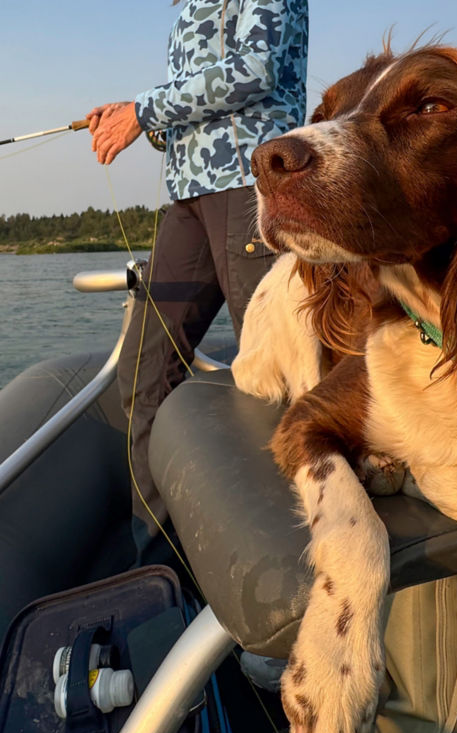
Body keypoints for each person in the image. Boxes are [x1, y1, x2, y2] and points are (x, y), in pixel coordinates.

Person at [87, 0, 309, 557]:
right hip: (188, 205)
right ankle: (164, 564)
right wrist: (142, 119)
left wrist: (143, 111)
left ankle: (292, 562)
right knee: (141, 371)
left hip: (246, 190)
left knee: (275, 377)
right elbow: (186, 107)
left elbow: (254, 71)